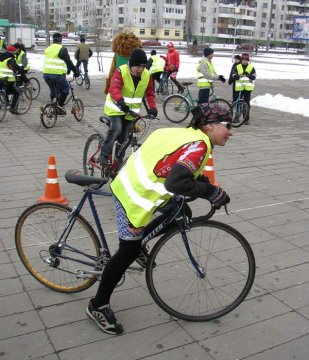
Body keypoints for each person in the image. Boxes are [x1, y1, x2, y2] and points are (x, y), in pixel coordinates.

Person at [86, 102, 232, 334]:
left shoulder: (186, 134)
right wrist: (211, 192)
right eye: (227, 125)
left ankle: (140, 241)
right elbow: (176, 182)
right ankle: (98, 305)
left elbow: (178, 167)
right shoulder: (200, 146)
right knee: (127, 252)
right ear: (210, 125)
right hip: (130, 195)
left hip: (132, 180)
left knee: (182, 212)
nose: (230, 131)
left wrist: (202, 183)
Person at [98, 49, 157, 176]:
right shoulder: (122, 71)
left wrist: (152, 108)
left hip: (130, 112)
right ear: (131, 64)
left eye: (143, 66)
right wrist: (120, 102)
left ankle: (116, 168)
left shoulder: (147, 75)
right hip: (116, 108)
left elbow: (150, 93)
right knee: (116, 128)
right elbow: (114, 88)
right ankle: (103, 155)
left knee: (124, 140)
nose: (141, 69)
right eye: (138, 66)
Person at [42, 32, 79, 115]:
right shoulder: (62, 49)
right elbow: (68, 61)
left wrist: (68, 69)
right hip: (57, 74)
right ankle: (59, 107)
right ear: (60, 39)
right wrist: (75, 71)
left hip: (46, 74)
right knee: (65, 89)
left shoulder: (48, 49)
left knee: (53, 91)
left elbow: (58, 61)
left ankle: (52, 106)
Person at [0, 45, 27, 114]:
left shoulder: (1, 57)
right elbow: (16, 67)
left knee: (4, 91)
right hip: (7, 80)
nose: (15, 53)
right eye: (14, 52)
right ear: (12, 52)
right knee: (17, 92)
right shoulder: (10, 59)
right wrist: (21, 70)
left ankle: (5, 102)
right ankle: (13, 108)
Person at [231, 53, 256, 124]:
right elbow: (233, 74)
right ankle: (237, 117)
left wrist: (249, 76)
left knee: (246, 102)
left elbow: (254, 76)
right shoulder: (237, 67)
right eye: (243, 60)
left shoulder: (251, 67)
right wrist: (236, 76)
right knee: (238, 102)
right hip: (239, 87)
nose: (244, 61)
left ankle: (246, 118)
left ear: (248, 61)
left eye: (246, 60)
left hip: (247, 88)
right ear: (241, 60)